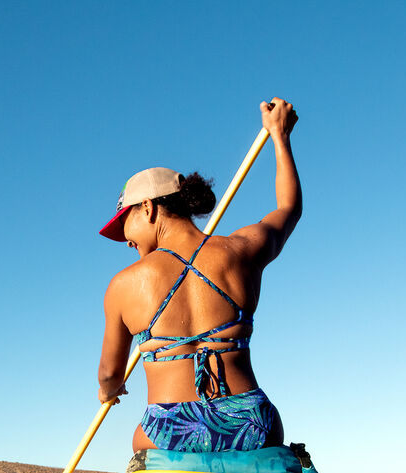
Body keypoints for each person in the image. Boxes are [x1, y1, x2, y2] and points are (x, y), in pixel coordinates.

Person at [97, 97, 301, 453]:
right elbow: (288, 209)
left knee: (139, 442)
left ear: (148, 208)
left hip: (169, 432)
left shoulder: (123, 285)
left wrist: (109, 390)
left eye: (124, 225)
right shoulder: (241, 250)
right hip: (252, 422)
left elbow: (109, 375)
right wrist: (279, 137)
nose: (125, 241)